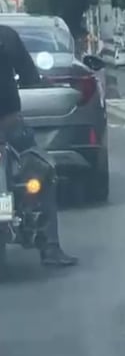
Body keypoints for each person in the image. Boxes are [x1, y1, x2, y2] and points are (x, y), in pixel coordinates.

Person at [0, 24, 77, 267]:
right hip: (10, 126)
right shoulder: (6, 36)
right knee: (44, 172)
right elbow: (30, 76)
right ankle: (50, 247)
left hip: (9, 128)